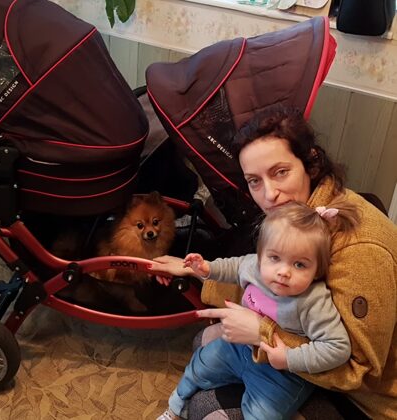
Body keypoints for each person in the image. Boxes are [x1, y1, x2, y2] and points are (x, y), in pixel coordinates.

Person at [149, 105, 397, 419]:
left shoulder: (360, 249)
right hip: (303, 348)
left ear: (310, 163)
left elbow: (360, 371)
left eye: (280, 172)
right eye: (254, 181)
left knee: (206, 408)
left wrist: (262, 333)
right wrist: (193, 269)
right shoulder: (298, 214)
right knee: (206, 341)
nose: (269, 194)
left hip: (365, 398)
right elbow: (260, 278)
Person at [156, 200, 359, 420]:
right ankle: (174, 409)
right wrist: (207, 268)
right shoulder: (254, 266)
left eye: (299, 264)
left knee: (263, 414)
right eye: (275, 258)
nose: (283, 272)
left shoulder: (314, 301)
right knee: (200, 363)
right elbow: (234, 266)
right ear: (261, 255)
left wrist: (289, 358)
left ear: (318, 270)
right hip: (239, 348)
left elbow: (338, 347)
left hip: (281, 374)